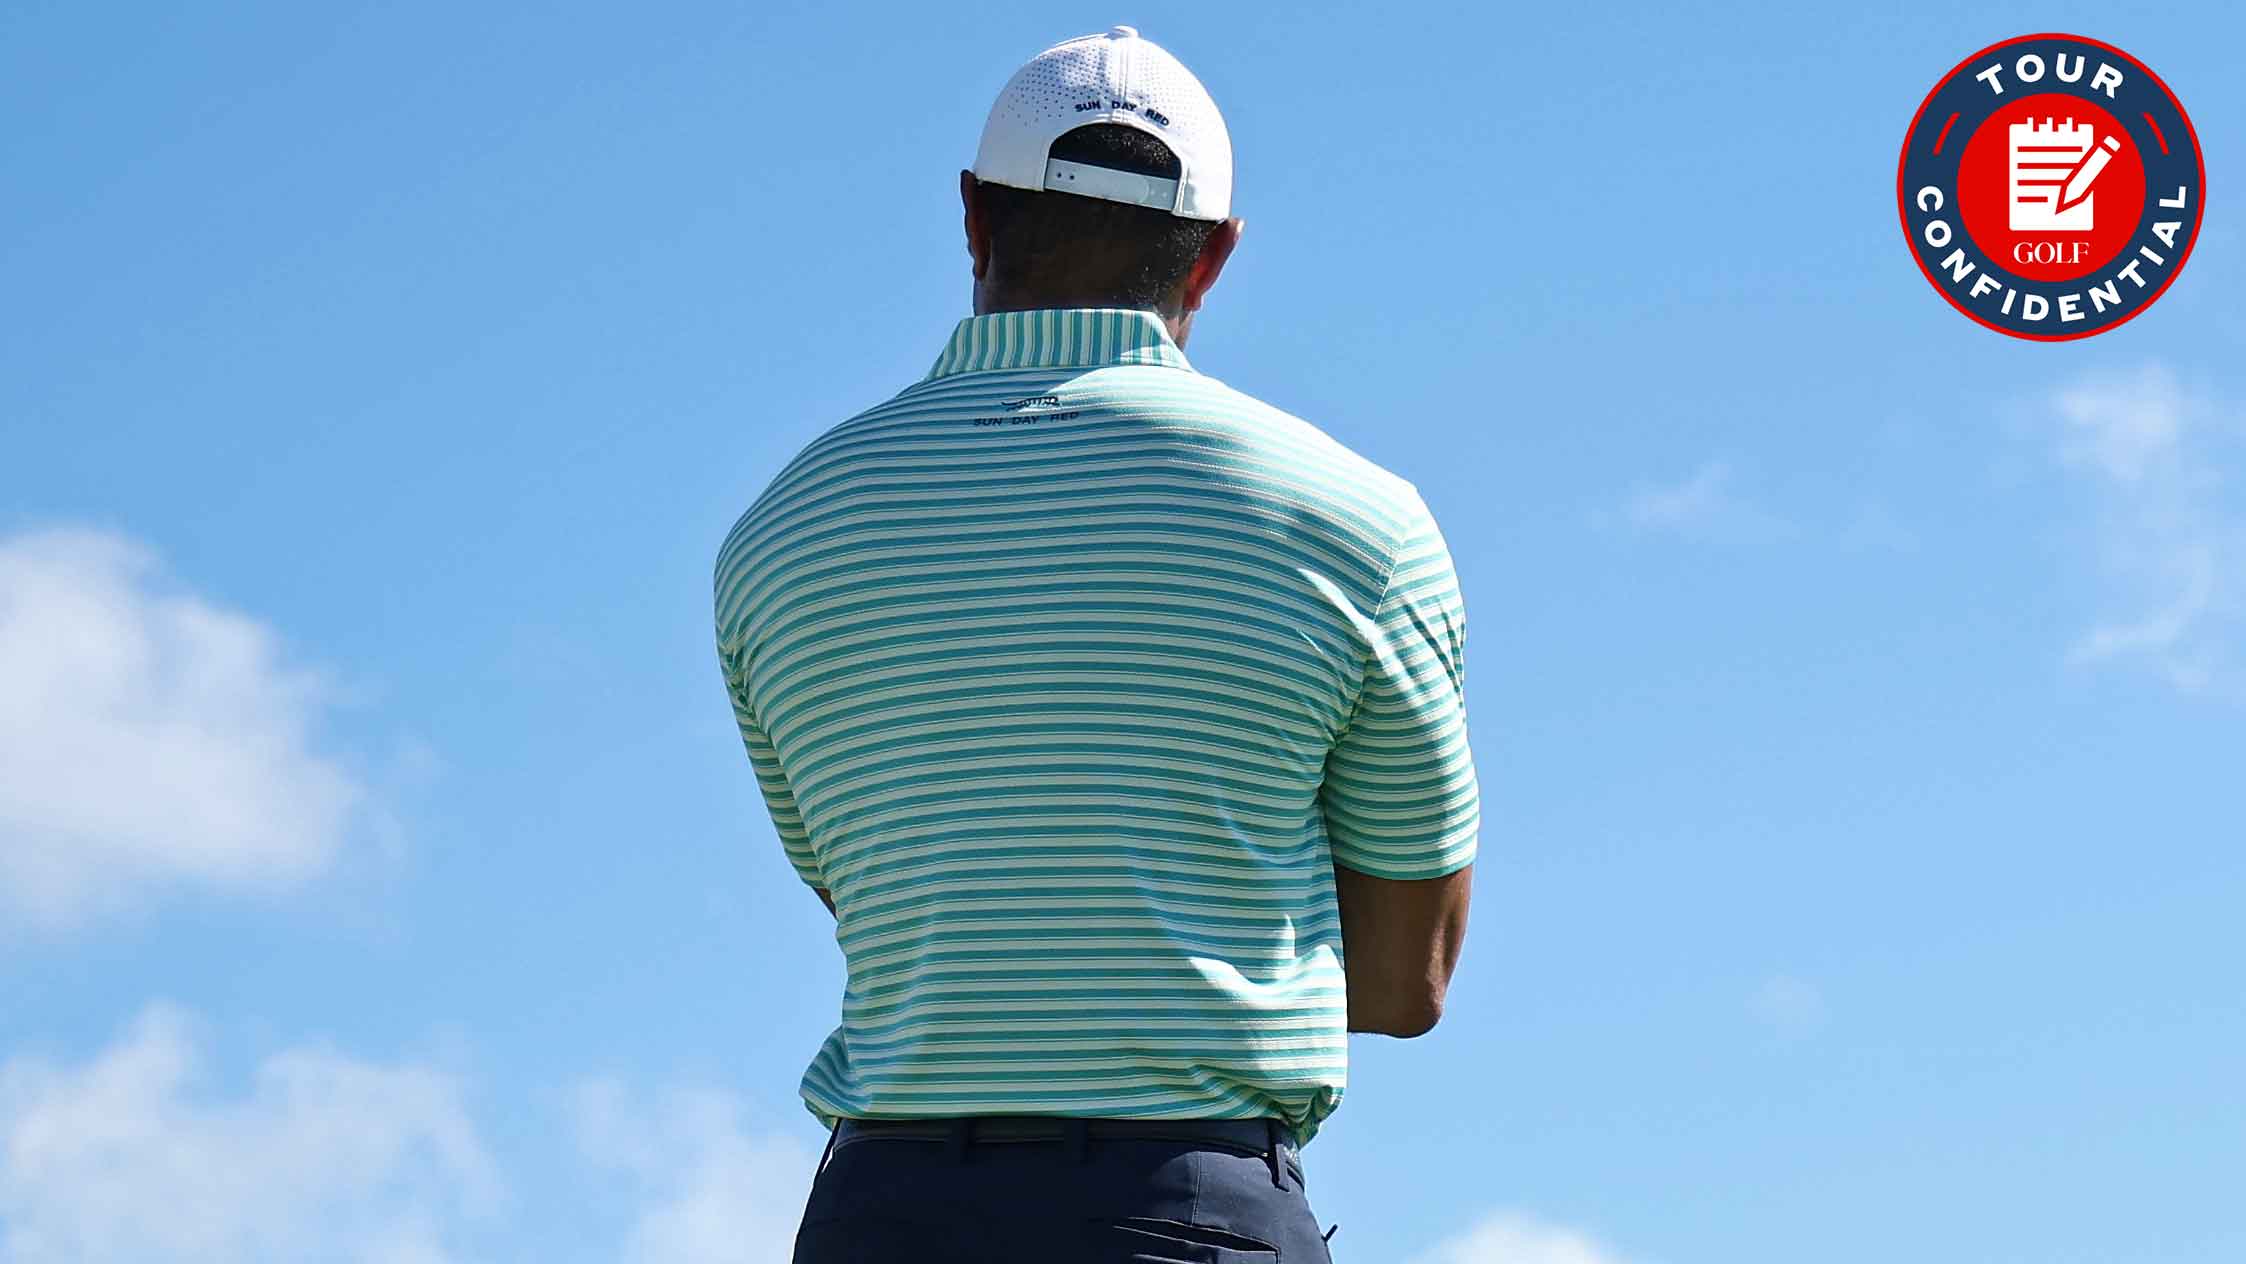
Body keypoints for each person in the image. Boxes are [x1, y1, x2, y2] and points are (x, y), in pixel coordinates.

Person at [713, 25, 1479, 1263]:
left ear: (972, 216)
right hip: (1188, 1216)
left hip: (883, 1218)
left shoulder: (787, 526)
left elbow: (878, 894)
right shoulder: (1358, 523)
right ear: (1216, 256)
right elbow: (1403, 985)